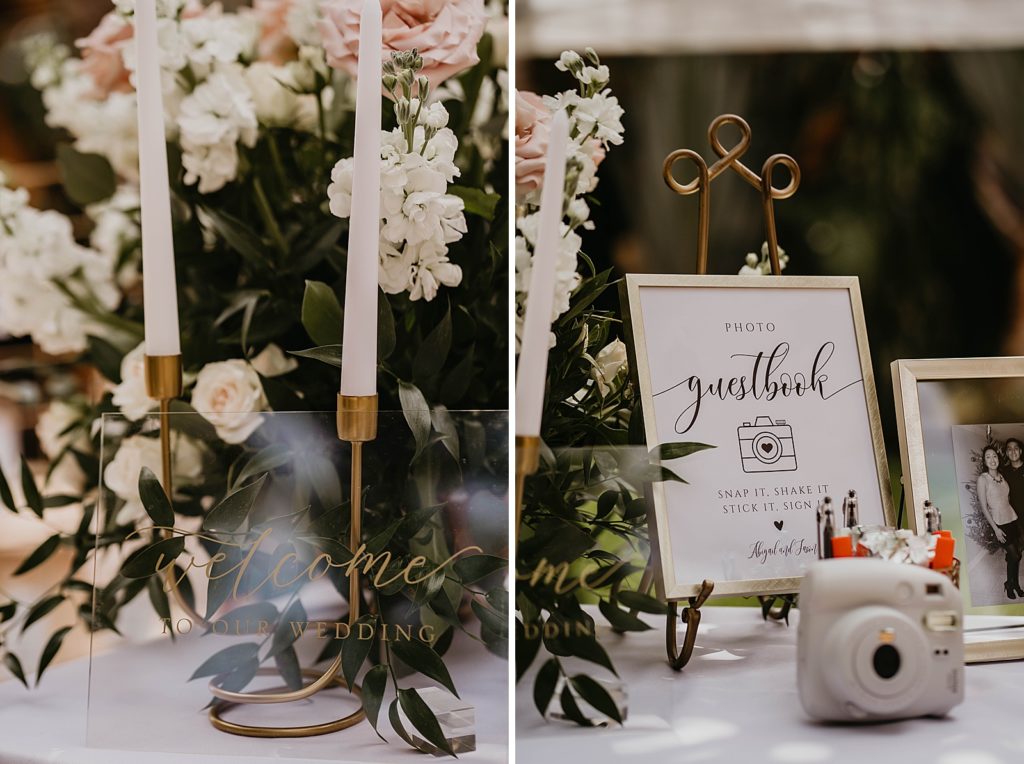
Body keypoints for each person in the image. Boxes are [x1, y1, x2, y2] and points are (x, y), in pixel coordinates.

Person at [977, 445, 1023, 599]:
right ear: (984, 461)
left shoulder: (1002, 476)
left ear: (998, 458)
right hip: (999, 523)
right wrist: (995, 529)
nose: (992, 459)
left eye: (994, 456)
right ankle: (1009, 585)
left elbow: (1007, 498)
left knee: (1013, 556)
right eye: (988, 457)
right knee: (1015, 555)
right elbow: (984, 507)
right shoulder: (983, 479)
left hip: (1012, 519)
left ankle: (1014, 584)